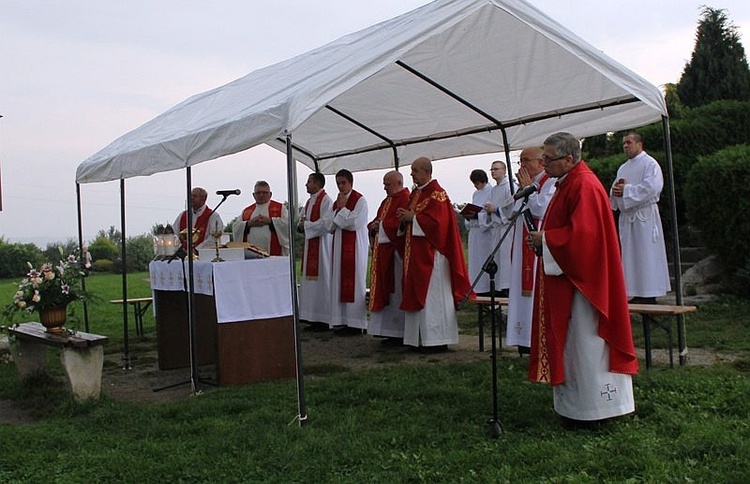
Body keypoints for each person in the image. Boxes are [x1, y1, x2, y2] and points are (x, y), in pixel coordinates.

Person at [527, 132, 638, 425]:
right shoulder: (568, 183)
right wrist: (546, 241)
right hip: (571, 278)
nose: (544, 164)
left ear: (568, 159)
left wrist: (546, 240)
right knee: (577, 345)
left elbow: (585, 238)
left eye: (548, 159)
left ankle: (598, 408)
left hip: (585, 286)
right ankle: (578, 407)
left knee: (588, 344)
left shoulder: (584, 185)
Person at [397, 157, 473, 352]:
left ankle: (437, 340)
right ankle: (418, 339)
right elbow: (412, 218)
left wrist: (413, 218)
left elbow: (439, 224)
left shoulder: (437, 194)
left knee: (434, 297)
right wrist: (405, 219)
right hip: (415, 252)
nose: (411, 174)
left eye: (415, 170)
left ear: (426, 172)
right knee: (417, 293)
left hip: (433, 255)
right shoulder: (416, 193)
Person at [497, 147, 556, 355]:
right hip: (522, 247)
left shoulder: (550, 182)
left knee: (536, 291)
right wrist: (521, 191)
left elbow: (541, 209)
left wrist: (527, 188)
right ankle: (524, 340)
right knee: (521, 292)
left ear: (541, 163)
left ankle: (538, 341)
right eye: (520, 161)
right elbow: (507, 210)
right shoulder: (528, 184)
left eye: (526, 161)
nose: (521, 166)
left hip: (540, 248)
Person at [610, 132, 671, 303]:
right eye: (624, 143)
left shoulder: (650, 164)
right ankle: (634, 291)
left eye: (629, 142)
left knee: (646, 254)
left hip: (644, 217)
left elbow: (652, 187)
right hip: (628, 218)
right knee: (630, 256)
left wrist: (626, 191)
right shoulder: (623, 167)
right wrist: (615, 192)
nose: (625, 146)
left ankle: (650, 294)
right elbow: (616, 188)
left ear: (639, 144)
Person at [324, 169, 369, 334]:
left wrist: (342, 211)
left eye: (343, 183)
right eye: (338, 183)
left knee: (354, 283)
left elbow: (354, 223)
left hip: (355, 247)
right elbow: (328, 225)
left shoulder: (360, 200)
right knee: (338, 283)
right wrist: (340, 213)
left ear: (351, 182)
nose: (340, 186)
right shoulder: (336, 202)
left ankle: (356, 323)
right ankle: (341, 321)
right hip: (338, 247)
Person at [367, 170, 410, 342]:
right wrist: (374, 225)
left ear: (398, 183)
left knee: (396, 292)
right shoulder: (387, 201)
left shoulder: (405, 199)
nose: (385, 187)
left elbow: (399, 225)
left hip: (396, 256)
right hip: (383, 253)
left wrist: (382, 226)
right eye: (384, 184)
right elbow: (378, 220)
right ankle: (386, 330)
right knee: (386, 290)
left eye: (387, 184)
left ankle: (398, 331)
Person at [297, 172, 333, 330]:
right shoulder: (309, 201)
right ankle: (310, 315)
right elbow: (302, 219)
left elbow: (326, 223)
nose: (306, 184)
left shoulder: (326, 200)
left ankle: (323, 318)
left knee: (321, 281)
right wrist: (301, 225)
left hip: (321, 246)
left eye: (309, 181)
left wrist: (307, 226)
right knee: (310, 283)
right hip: (310, 244)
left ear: (318, 183)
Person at [233, 181, 289, 255]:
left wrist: (270, 221)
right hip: (251, 254)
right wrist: (248, 224)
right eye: (258, 193)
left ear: (270, 194)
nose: (261, 195)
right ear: (253, 195)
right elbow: (236, 227)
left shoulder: (281, 208)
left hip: (274, 253)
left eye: (265, 192)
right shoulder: (246, 211)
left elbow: (288, 225)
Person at [482, 160, 513, 295]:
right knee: (498, 262)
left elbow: (512, 209)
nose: (493, 171)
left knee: (506, 262)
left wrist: (496, 210)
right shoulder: (494, 190)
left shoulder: (510, 187)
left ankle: (507, 289)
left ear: (504, 170)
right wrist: (489, 210)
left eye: (496, 169)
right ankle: (498, 290)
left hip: (506, 229)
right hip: (497, 229)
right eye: (492, 169)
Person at [464, 169, 494, 295]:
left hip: (485, 232)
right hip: (475, 233)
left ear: (483, 181)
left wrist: (479, 216)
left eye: (477, 183)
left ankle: (486, 288)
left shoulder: (491, 191)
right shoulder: (476, 194)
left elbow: (490, 211)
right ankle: (476, 287)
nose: (476, 186)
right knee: (475, 262)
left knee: (484, 258)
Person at [173, 187, 224, 253]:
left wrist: (197, 250)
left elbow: (214, 238)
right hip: (183, 255)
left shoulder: (213, 216)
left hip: (203, 255)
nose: (191, 198)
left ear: (204, 199)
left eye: (194, 196)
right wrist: (180, 248)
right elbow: (174, 233)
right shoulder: (183, 215)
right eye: (190, 196)